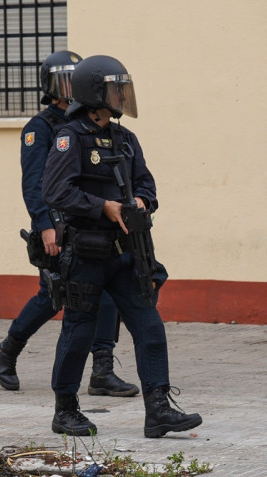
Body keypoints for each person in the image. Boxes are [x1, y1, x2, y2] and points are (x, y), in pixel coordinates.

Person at [42, 54, 202, 438]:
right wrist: (103, 207)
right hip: (86, 253)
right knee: (79, 332)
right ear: (95, 93)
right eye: (116, 89)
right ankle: (65, 409)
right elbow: (55, 190)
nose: (121, 96)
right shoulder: (71, 136)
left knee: (150, 328)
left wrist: (143, 201)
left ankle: (159, 409)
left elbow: (146, 183)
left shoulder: (125, 139)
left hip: (128, 252)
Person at [0, 51, 139, 398]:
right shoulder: (40, 129)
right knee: (54, 294)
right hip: (60, 226)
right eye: (65, 80)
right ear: (52, 87)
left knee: (104, 291)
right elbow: (36, 184)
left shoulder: (91, 123)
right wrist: (46, 226)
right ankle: (8, 349)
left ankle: (102, 368)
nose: (72, 87)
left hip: (92, 222)